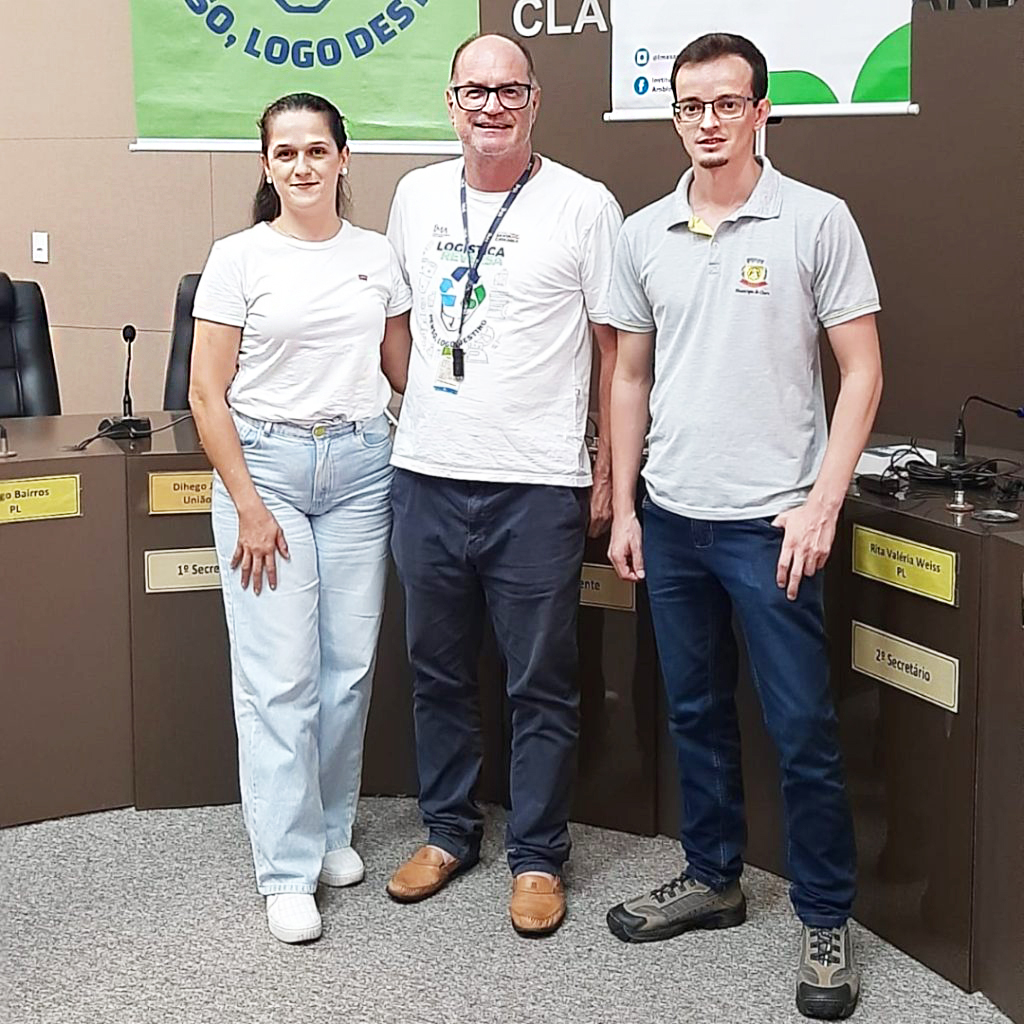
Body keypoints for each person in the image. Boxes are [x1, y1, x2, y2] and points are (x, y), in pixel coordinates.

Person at [605, 33, 882, 1020]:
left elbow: (862, 372)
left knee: (802, 731)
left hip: (771, 526)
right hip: (673, 521)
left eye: (727, 104)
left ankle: (822, 914)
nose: (708, 121)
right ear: (673, 113)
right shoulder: (643, 232)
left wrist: (821, 500)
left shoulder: (815, 221)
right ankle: (714, 875)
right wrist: (626, 503)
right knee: (692, 715)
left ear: (762, 111)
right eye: (691, 105)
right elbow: (628, 375)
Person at [383, 33, 623, 936]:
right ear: (452, 100)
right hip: (429, 479)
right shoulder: (414, 195)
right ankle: (448, 832)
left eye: (508, 91)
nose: (491, 106)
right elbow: (398, 321)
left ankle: (536, 856)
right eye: (474, 90)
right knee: (436, 671)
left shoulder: (584, 205)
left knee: (540, 683)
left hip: (536, 487)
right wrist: (440, 408)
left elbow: (612, 349)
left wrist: (607, 466)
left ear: (535, 101)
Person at [189, 92, 412, 945]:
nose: (303, 166)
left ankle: (326, 832)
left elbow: (402, 370)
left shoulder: (377, 255)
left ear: (343, 159)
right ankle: (285, 869)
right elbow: (207, 392)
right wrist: (246, 502)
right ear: (267, 167)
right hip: (269, 473)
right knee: (279, 674)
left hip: (362, 468)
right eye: (286, 153)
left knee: (347, 667)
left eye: (317, 150)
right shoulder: (238, 258)